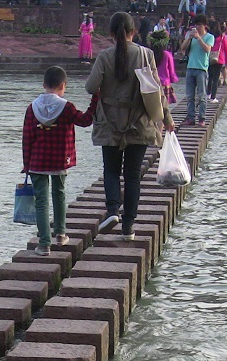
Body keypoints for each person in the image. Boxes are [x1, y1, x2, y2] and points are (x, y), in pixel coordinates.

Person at [85, 12, 174, 240]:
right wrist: (167, 119)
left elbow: (90, 86)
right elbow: (156, 90)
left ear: (112, 34)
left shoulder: (105, 56)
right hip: (140, 123)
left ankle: (113, 210)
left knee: (112, 170)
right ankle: (128, 227)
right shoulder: (146, 55)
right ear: (134, 32)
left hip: (110, 123)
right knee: (133, 176)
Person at [21, 66, 98, 255]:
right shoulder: (67, 107)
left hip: (38, 161)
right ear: (63, 86)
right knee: (59, 194)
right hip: (60, 159)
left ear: (44, 85)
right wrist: (96, 98)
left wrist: (26, 163)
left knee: (41, 201)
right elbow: (86, 120)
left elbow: (27, 137)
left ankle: (44, 244)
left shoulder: (32, 108)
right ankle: (61, 234)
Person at [180, 13, 213, 127]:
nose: (197, 27)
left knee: (202, 95)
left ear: (204, 25)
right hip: (190, 67)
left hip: (201, 69)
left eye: (199, 25)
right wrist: (189, 37)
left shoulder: (209, 37)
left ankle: (201, 118)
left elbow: (207, 49)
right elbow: (183, 48)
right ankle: (190, 118)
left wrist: (199, 38)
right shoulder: (192, 36)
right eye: (196, 25)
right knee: (190, 96)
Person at [149, 29, 178, 104]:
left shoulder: (149, 54)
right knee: (164, 108)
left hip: (151, 84)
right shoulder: (167, 55)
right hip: (164, 84)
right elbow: (171, 72)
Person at [206, 24, 227, 101]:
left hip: (209, 58)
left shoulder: (209, 37)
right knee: (216, 79)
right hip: (219, 59)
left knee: (210, 77)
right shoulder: (222, 37)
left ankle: (208, 93)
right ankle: (213, 97)